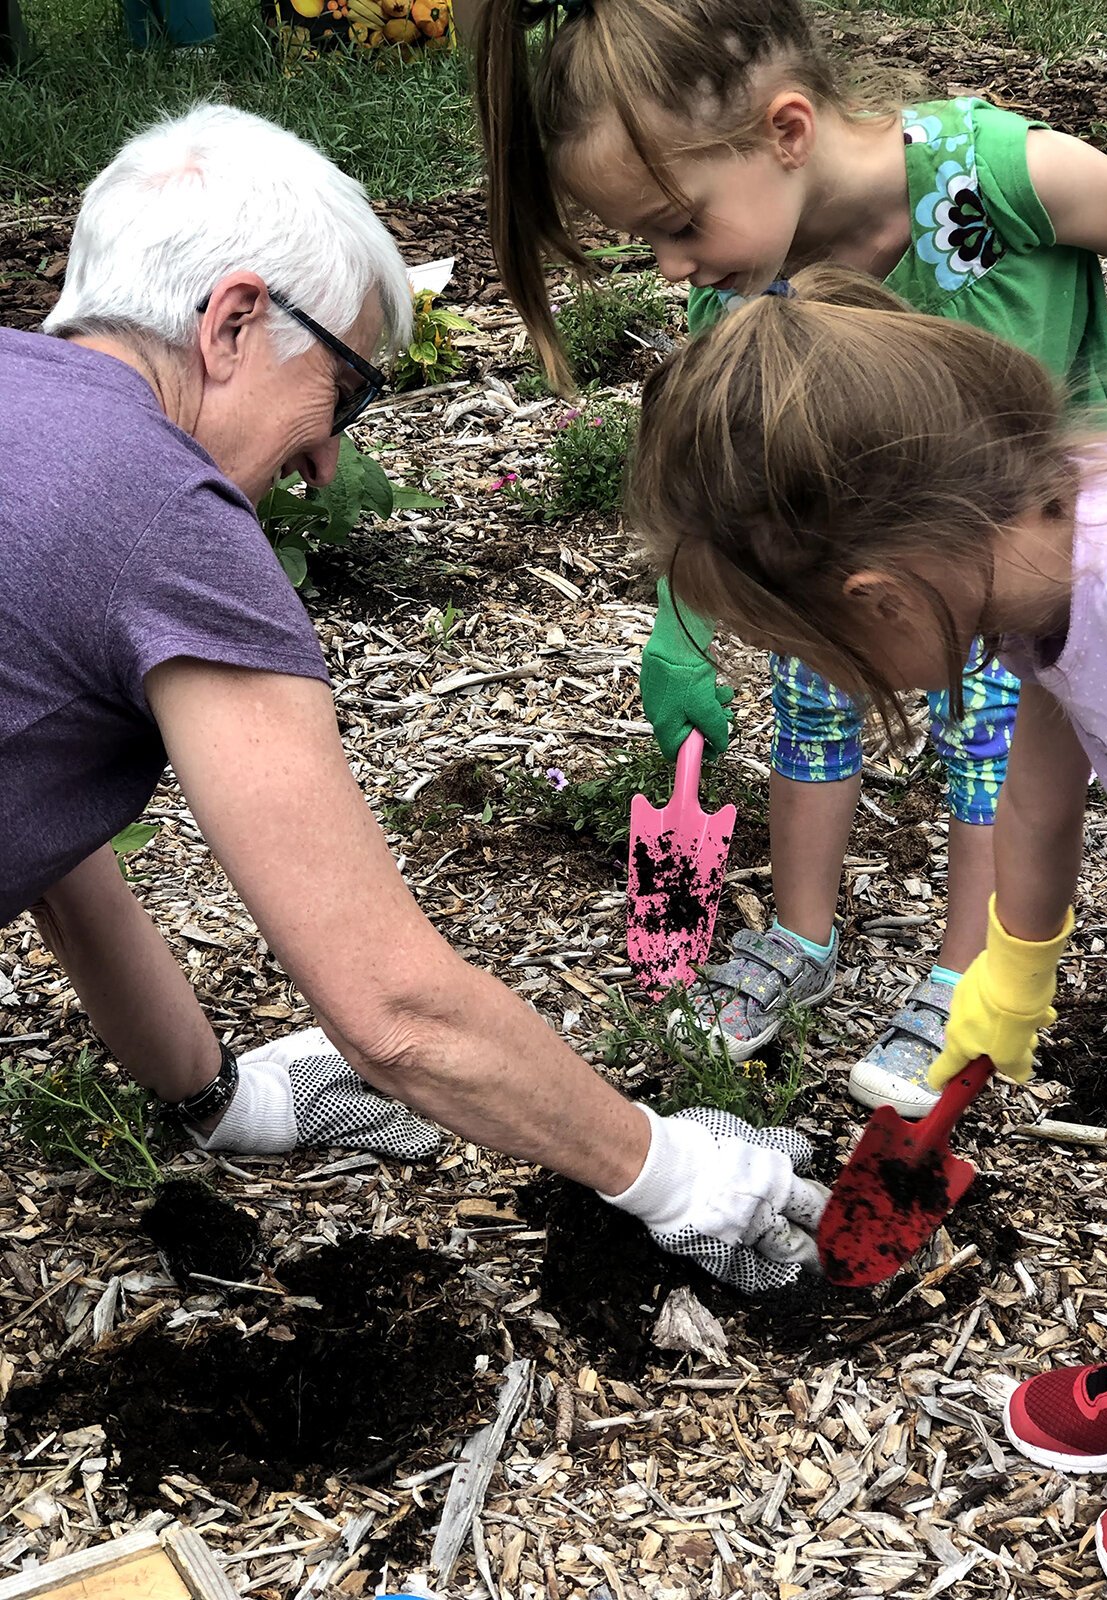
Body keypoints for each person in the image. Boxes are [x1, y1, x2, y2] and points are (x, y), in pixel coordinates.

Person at [0, 103, 829, 1297]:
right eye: (347, 390)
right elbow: (394, 1011)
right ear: (234, 320)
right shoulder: (165, 515)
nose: (334, 456)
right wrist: (669, 1170)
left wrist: (218, 1097)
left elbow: (50, 840)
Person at [474, 0, 1107, 1117]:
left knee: (990, 747)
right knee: (818, 697)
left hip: (1024, 535)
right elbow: (725, 477)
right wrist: (685, 627)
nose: (670, 267)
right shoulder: (746, 279)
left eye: (675, 223)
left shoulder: (998, 172)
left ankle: (964, 957)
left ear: (787, 131)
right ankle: (805, 933)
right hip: (864, 557)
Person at [626, 272, 1107, 1600]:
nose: (843, 683)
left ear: (882, 598)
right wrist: (1017, 958)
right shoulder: (1048, 575)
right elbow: (1053, 746)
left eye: (825, 657)